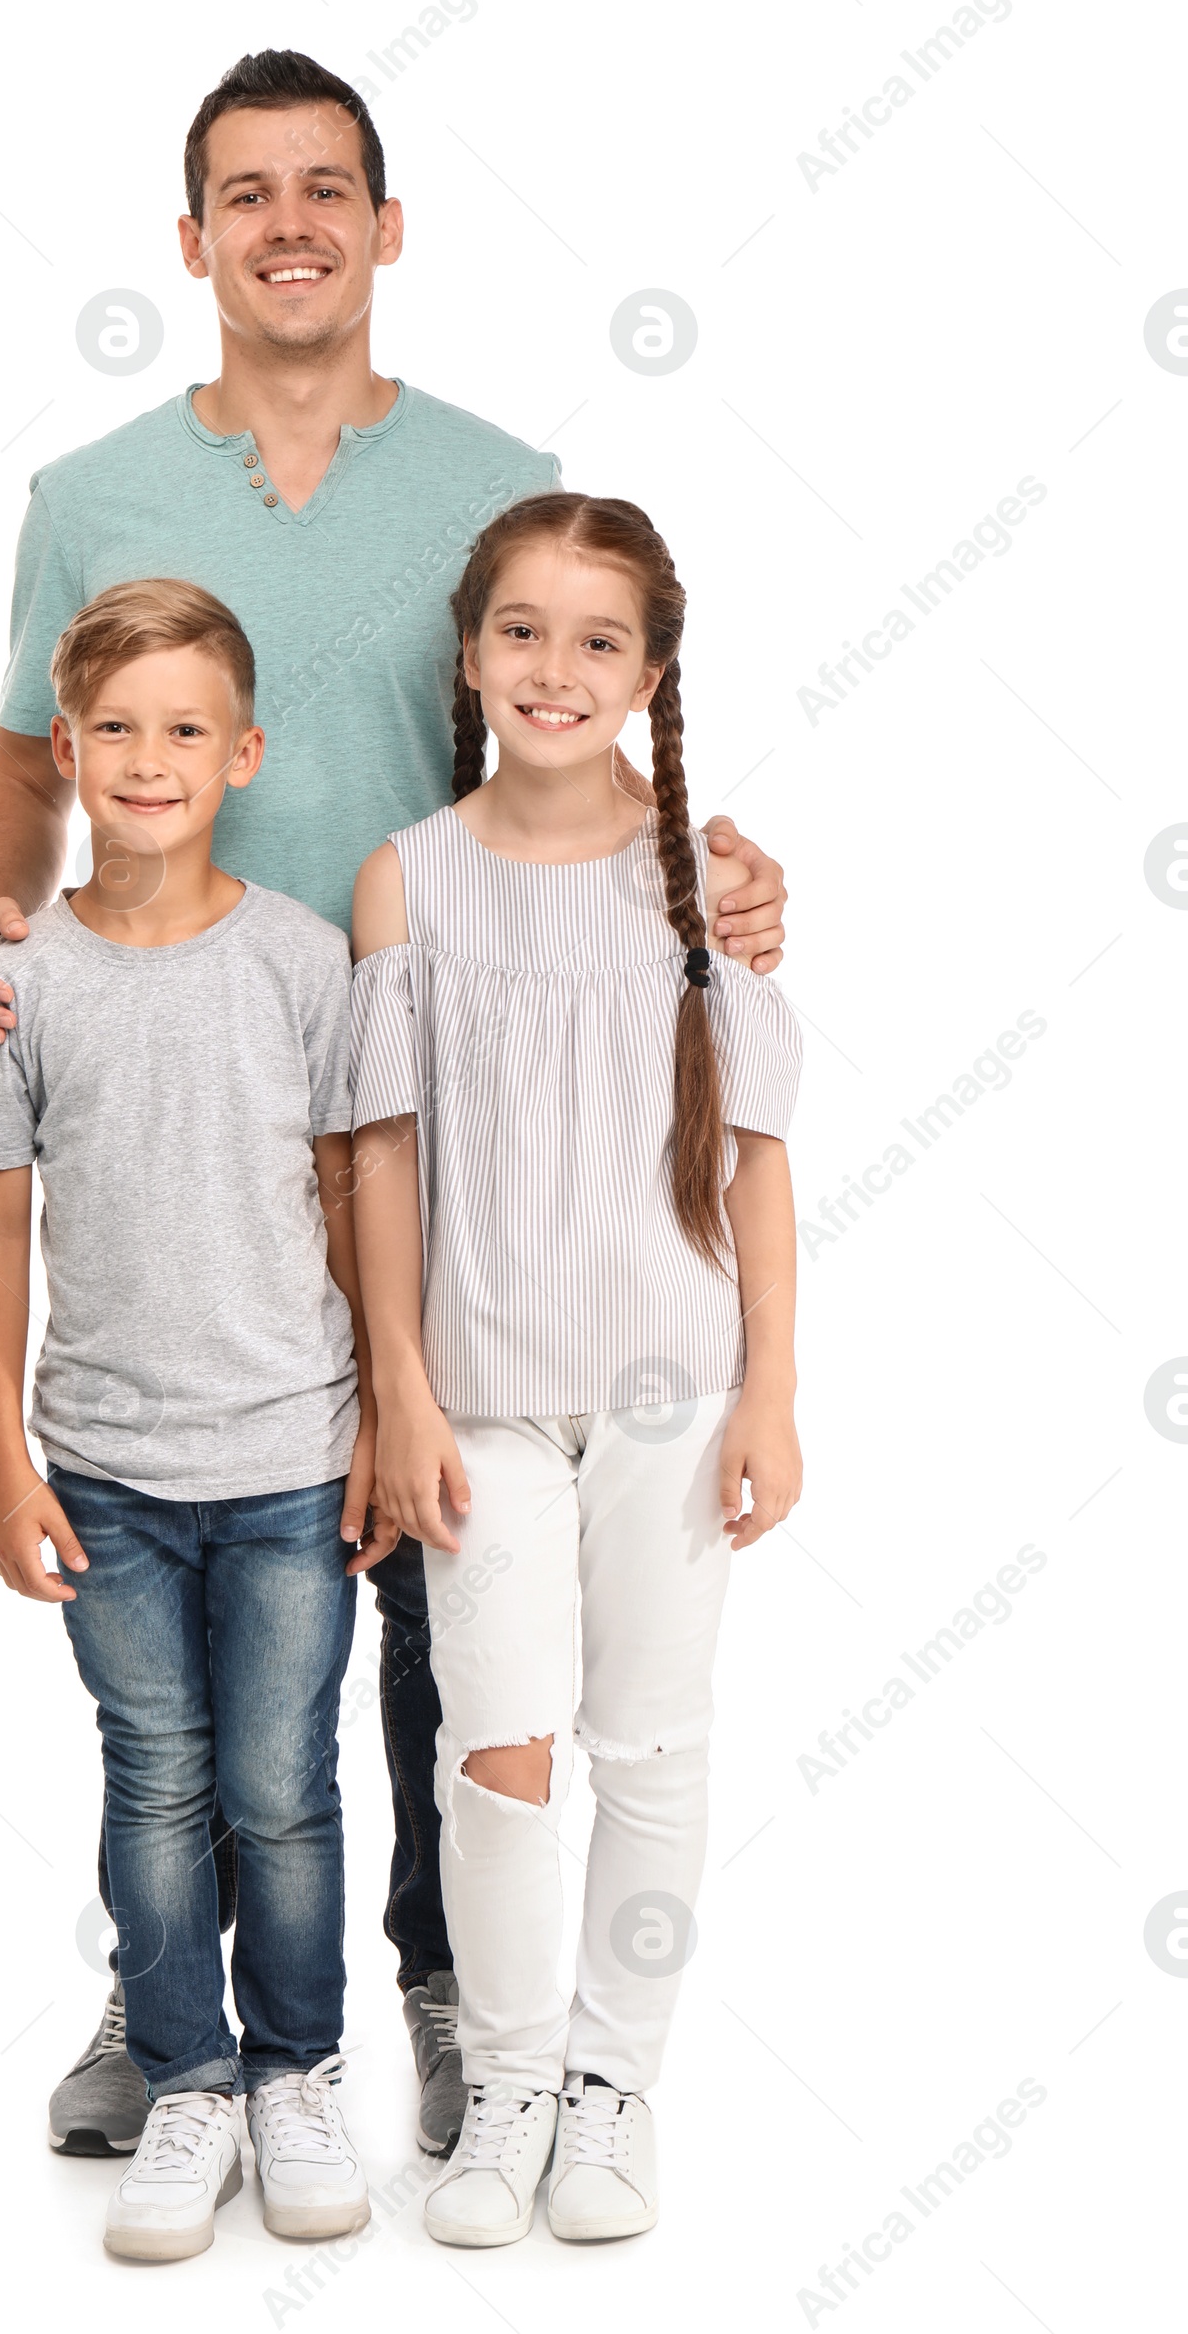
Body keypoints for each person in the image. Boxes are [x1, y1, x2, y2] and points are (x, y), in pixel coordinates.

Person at [0, 48, 792, 2158]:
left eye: (329, 188)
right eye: (247, 192)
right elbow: (28, 776)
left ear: (387, 230)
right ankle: (183, 2013)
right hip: (180, 1112)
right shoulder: (91, 500)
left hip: (436, 1121)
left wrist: (719, 859)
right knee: (190, 1593)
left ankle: (431, 1985)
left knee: (430, 1562)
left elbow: (567, 726)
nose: (289, 221)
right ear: (192, 241)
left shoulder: (490, 476)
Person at [349, 492, 803, 2247]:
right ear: (470, 656)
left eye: (598, 639)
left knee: (655, 1746)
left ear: (652, 673)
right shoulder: (413, 872)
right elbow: (383, 1150)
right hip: (481, 1391)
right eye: (521, 632)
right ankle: (510, 2083)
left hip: (671, 1387)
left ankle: (618, 2091)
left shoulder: (708, 884)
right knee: (497, 1746)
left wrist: (773, 1389)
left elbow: (756, 1150)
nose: (556, 669)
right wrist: (397, 1383)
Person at [0, 578, 376, 2261]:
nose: (147, 758)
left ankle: (296, 2073)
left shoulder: (300, 956)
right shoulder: (16, 978)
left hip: (288, 1460)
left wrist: (380, 1413)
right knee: (157, 1776)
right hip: (106, 1471)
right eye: (114, 729)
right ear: (68, 748)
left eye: (185, 729)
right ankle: (187, 2077)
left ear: (244, 753)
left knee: (283, 1784)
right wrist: (3, 1469)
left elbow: (353, 1192)